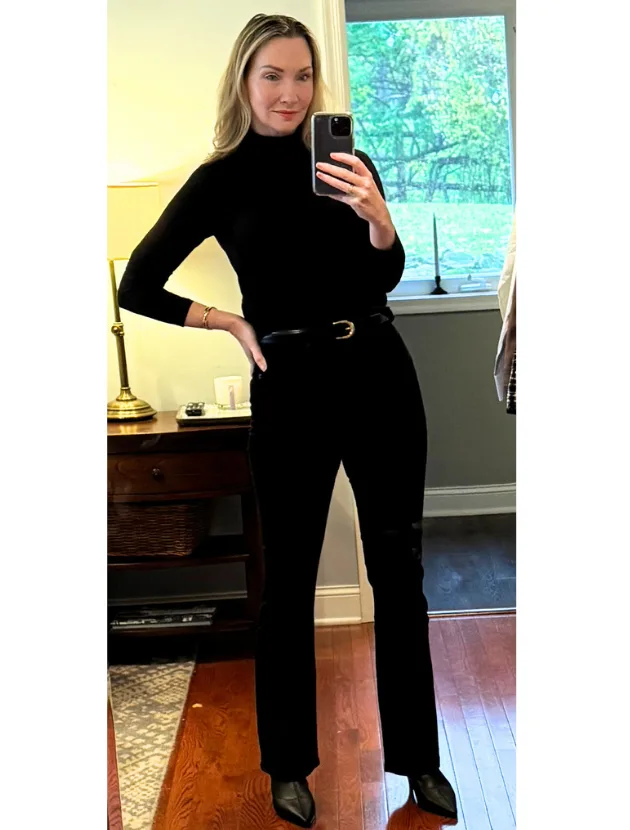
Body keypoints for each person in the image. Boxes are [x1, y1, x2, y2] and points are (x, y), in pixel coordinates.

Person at [117, 13, 457, 828]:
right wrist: (229, 323)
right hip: (291, 386)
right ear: (244, 80)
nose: (290, 92)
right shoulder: (219, 180)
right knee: (288, 581)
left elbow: (386, 272)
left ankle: (421, 760)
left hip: (378, 373)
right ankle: (288, 766)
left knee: (399, 572)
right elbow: (138, 285)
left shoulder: (346, 161)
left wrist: (380, 217)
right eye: (273, 75)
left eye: (303, 76)